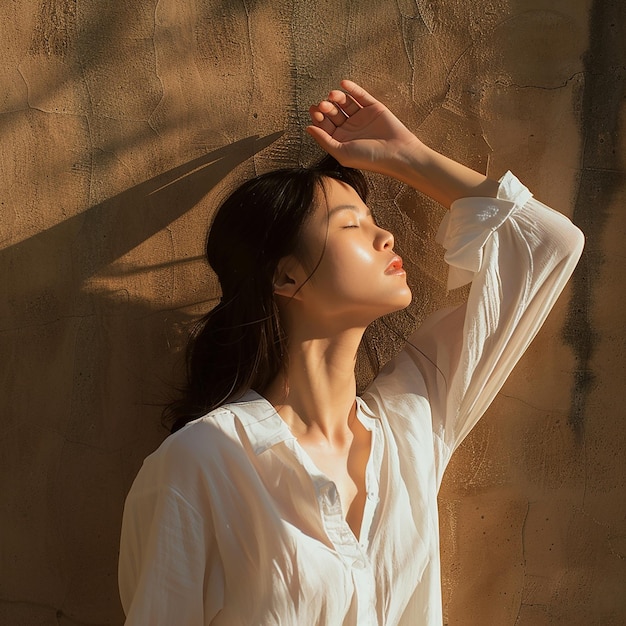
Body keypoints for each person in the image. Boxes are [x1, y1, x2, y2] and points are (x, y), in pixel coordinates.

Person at [118, 80, 584, 625]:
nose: (385, 235)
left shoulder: (412, 422)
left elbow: (547, 245)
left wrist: (408, 158)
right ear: (286, 276)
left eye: (372, 219)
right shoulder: (203, 461)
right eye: (352, 225)